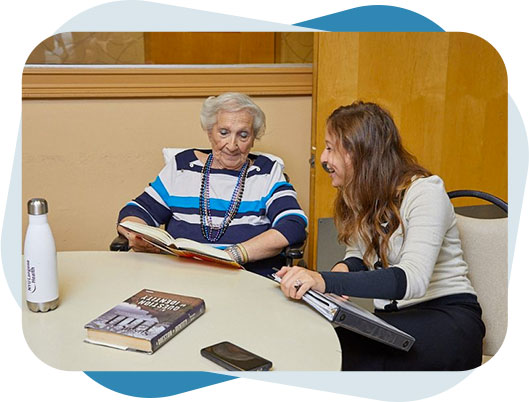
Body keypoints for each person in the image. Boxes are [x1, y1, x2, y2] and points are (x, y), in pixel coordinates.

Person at [276, 101, 485, 370]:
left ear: (359, 153)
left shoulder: (426, 192)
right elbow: (358, 257)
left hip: (448, 320)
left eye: (330, 148)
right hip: (393, 321)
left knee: (337, 359)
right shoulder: (363, 197)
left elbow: (413, 279)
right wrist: (340, 273)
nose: (324, 159)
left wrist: (324, 281)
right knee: (319, 344)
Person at [117, 92, 307, 276]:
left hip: (249, 278)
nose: (232, 145)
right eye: (223, 133)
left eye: (243, 135)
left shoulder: (266, 172)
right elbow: (134, 213)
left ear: (253, 139)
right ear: (210, 132)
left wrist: (232, 255)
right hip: (181, 278)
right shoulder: (182, 168)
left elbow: (293, 224)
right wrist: (134, 236)